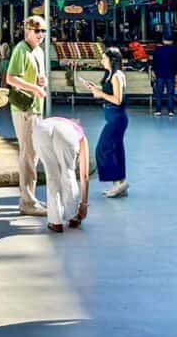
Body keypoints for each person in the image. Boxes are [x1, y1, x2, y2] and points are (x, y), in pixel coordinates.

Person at [6, 16, 49, 217]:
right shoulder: (20, 50)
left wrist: (42, 81)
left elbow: (38, 78)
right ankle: (27, 201)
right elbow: (11, 78)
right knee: (29, 154)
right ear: (27, 31)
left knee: (34, 153)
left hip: (36, 107)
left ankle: (29, 197)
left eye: (43, 31)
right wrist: (34, 88)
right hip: (25, 108)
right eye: (37, 30)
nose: (40, 35)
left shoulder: (38, 52)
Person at [83, 47, 129, 198]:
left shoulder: (116, 76)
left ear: (112, 60)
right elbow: (109, 94)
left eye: (104, 58)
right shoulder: (110, 75)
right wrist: (96, 90)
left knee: (103, 148)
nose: (102, 60)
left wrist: (101, 93)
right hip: (112, 116)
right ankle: (120, 182)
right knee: (116, 150)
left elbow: (117, 99)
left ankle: (118, 181)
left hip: (117, 117)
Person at [31, 116, 89, 233]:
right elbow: (84, 175)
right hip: (66, 135)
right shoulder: (80, 134)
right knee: (68, 172)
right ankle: (73, 216)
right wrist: (84, 203)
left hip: (41, 130)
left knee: (52, 174)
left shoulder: (58, 121)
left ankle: (55, 222)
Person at [153, 34, 177, 117]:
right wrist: (175, 72)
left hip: (159, 74)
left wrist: (155, 71)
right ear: (171, 41)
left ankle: (158, 110)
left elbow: (154, 62)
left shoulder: (158, 50)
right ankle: (171, 111)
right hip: (170, 74)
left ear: (163, 41)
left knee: (159, 93)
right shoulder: (175, 50)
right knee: (170, 93)